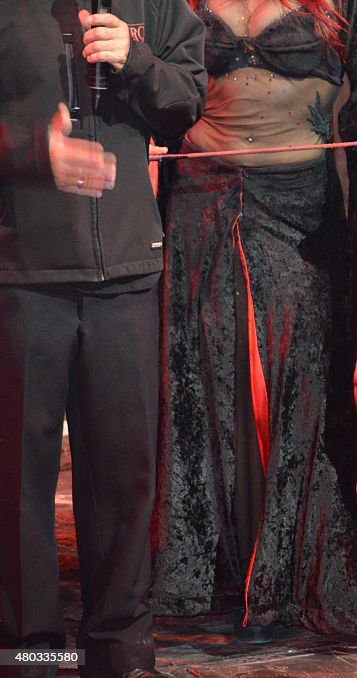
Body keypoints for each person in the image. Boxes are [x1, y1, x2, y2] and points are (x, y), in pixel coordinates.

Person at [151, 0, 357, 647]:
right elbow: (151, 78)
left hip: (300, 210)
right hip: (198, 199)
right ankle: (212, 574)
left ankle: (293, 576)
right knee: (203, 386)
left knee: (303, 392)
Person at [0, 2, 206, 676]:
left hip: (127, 271)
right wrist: (35, 151)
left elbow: (187, 100)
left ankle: (121, 656)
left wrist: (136, 60)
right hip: (23, 273)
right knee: (19, 485)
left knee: (123, 481)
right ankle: (28, 656)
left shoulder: (153, 6)